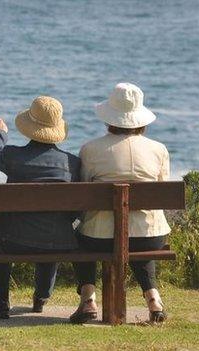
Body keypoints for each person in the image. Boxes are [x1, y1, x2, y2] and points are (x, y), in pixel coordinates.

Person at [69, 83, 171, 324]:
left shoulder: (91, 149)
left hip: (100, 236)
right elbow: (161, 190)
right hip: (151, 234)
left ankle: (87, 299)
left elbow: (84, 192)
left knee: (80, 239)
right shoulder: (159, 149)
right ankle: (153, 298)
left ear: (110, 117)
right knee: (135, 237)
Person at [0, 96, 81, 319]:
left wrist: (0, 132)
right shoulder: (72, 164)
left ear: (29, 127)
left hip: (10, 241)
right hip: (56, 242)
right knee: (51, 229)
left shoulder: (12, 157)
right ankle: (41, 297)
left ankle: (1, 303)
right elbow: (77, 210)